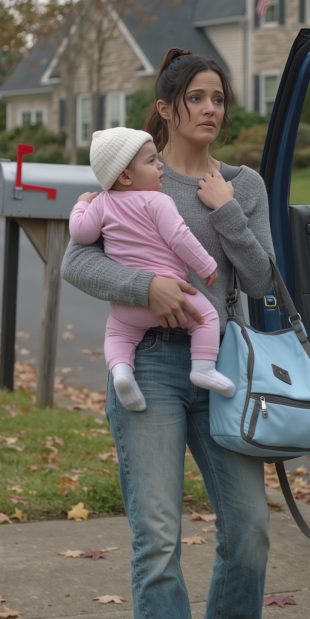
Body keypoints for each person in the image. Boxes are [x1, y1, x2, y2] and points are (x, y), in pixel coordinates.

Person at [61, 48, 274, 619]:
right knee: (157, 536)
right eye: (198, 97)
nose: (211, 108)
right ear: (166, 108)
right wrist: (145, 288)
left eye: (219, 98)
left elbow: (261, 281)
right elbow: (77, 258)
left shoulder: (242, 184)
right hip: (149, 363)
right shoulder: (130, 171)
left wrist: (225, 210)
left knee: (251, 530)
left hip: (221, 369)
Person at [68, 127, 235, 412]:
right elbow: (180, 238)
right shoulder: (157, 201)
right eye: (150, 161)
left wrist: (81, 205)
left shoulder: (102, 204)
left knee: (117, 336)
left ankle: (121, 373)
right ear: (125, 176)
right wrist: (206, 265)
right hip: (173, 296)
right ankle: (203, 368)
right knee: (206, 317)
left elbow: (81, 233)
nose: (160, 166)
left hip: (128, 304)